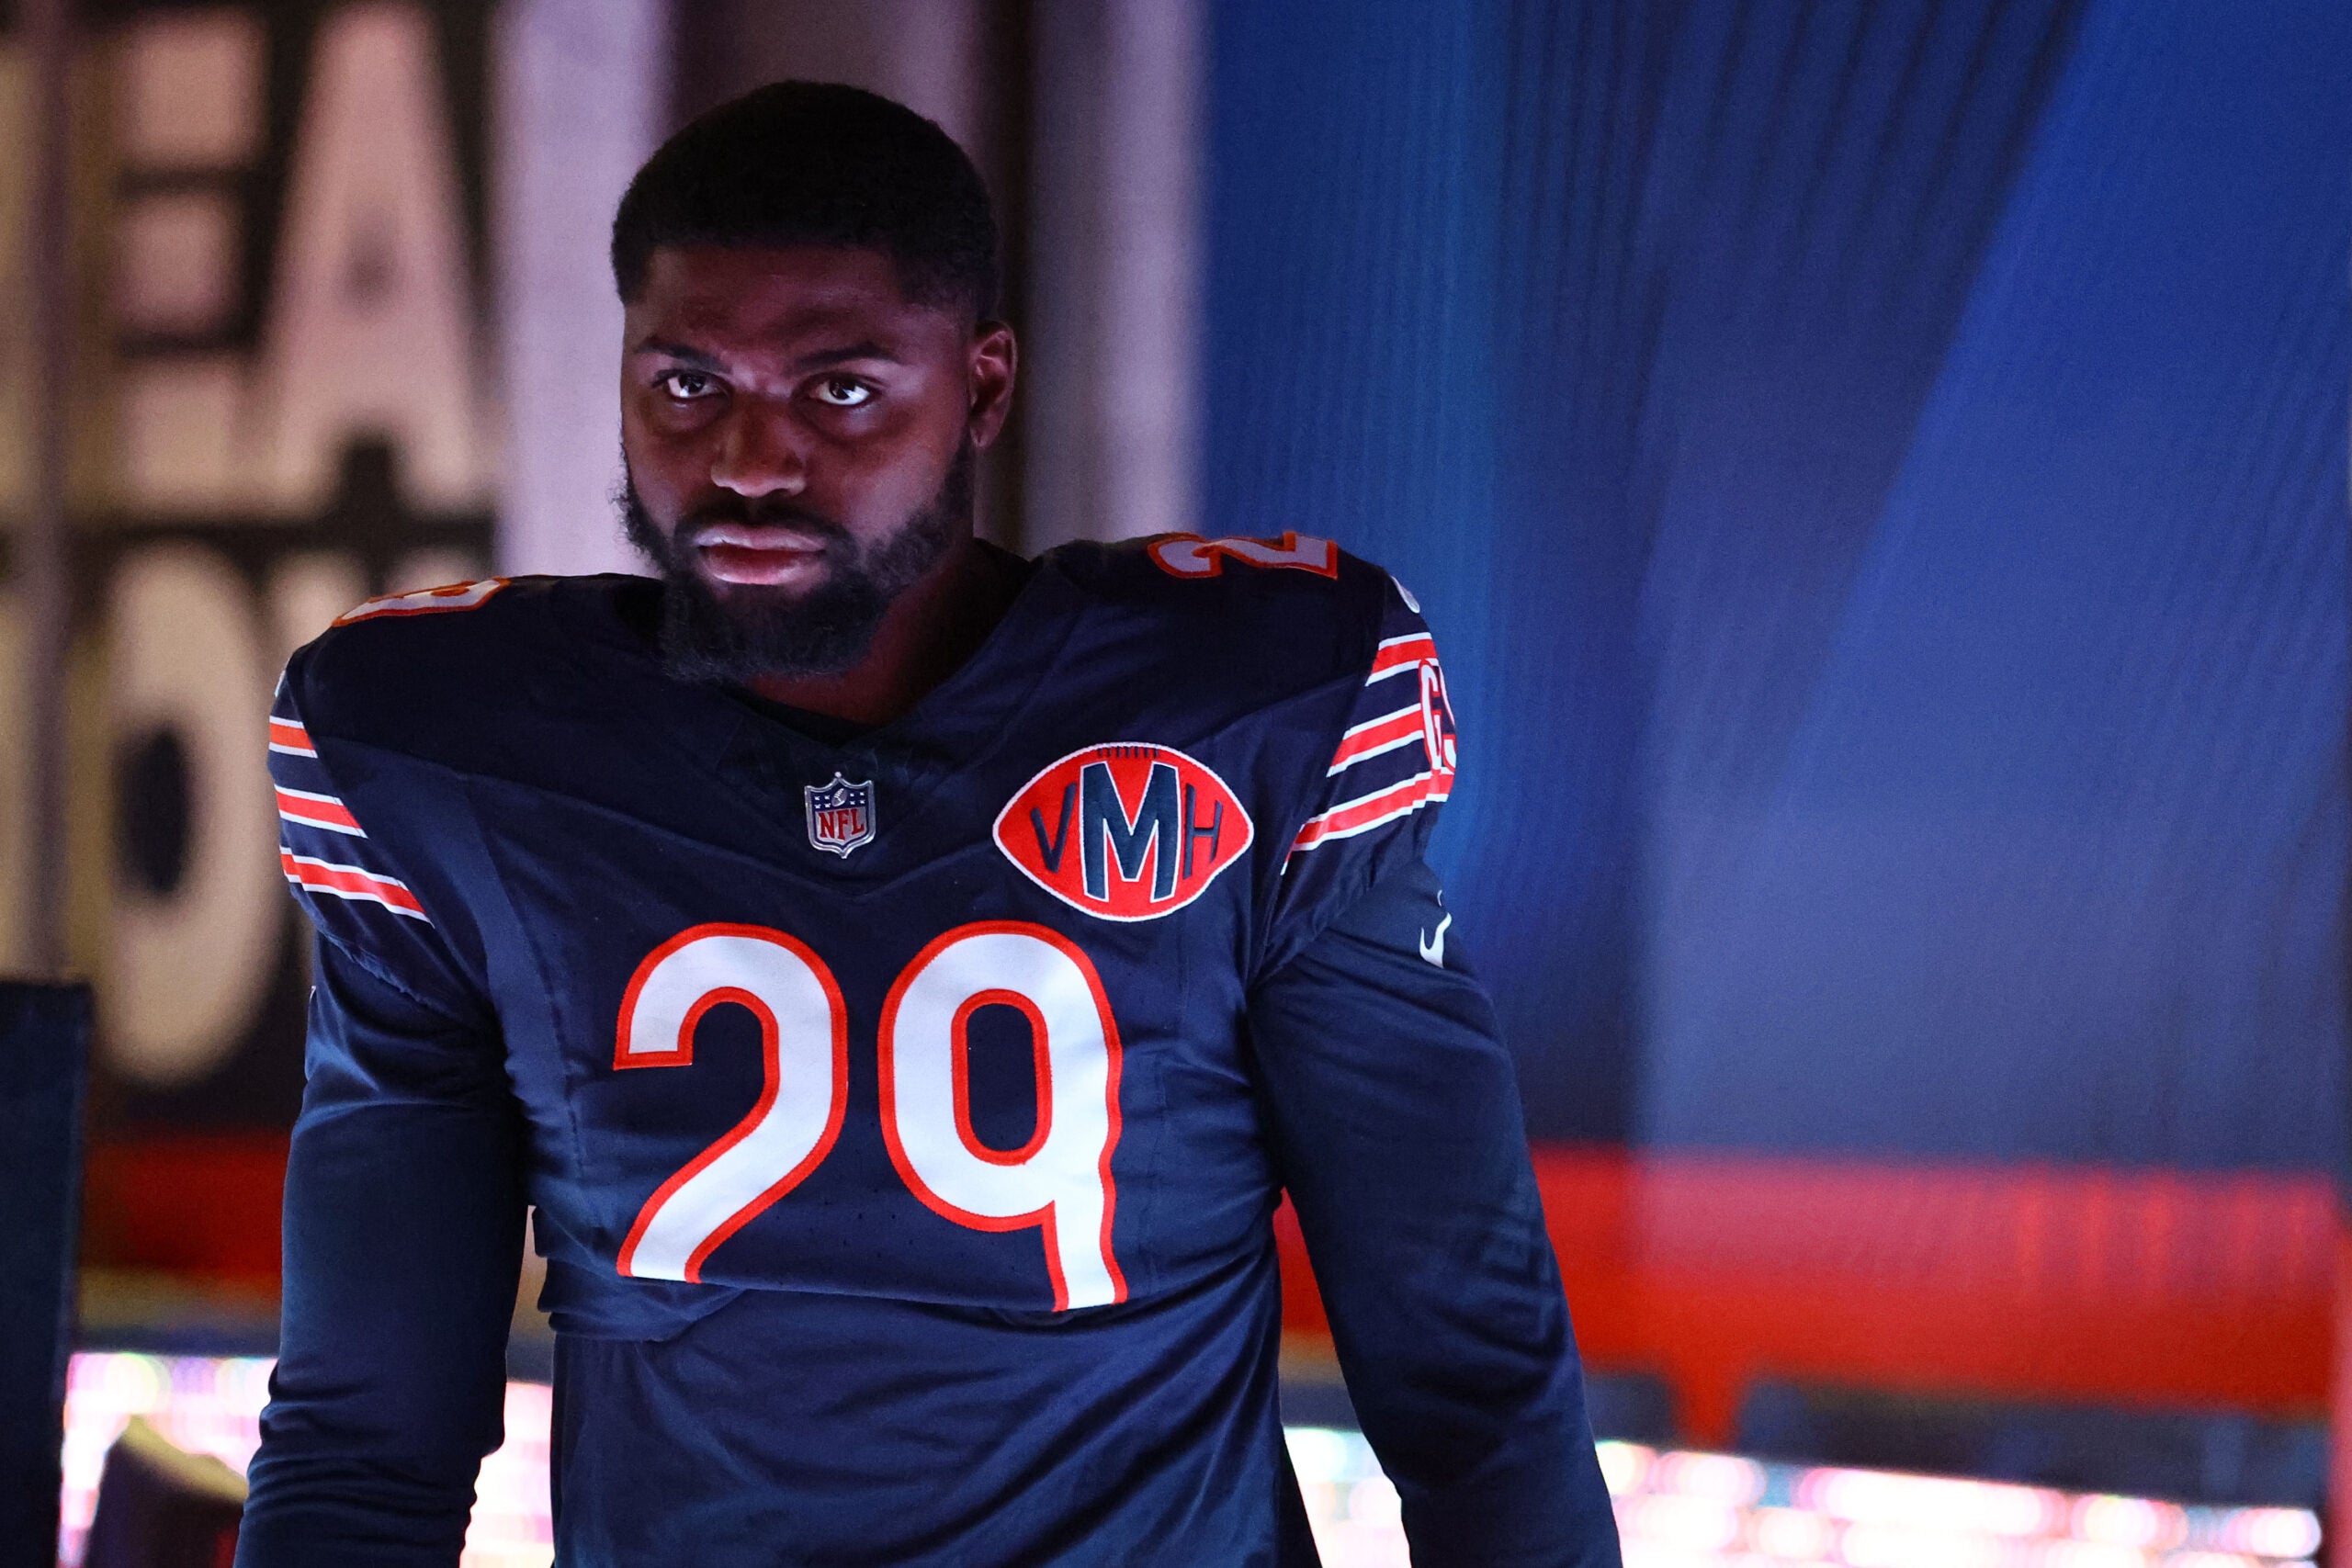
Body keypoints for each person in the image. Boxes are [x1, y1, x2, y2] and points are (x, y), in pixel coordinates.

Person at [238, 81, 1621, 1567]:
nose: (749, 461)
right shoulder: (450, 746)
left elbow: (1473, 1386)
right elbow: (368, 1433)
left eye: (838, 390)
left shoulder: (1252, 707)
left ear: (984, 387)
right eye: (688, 385)